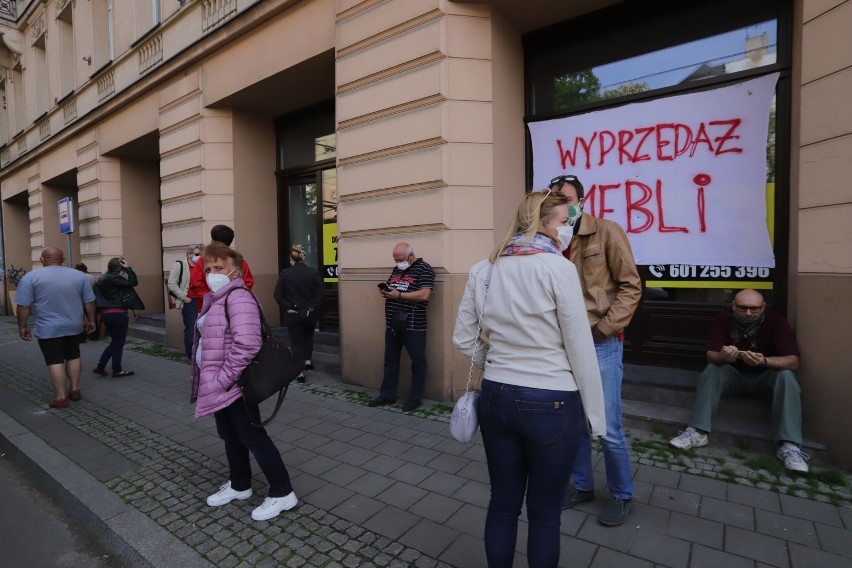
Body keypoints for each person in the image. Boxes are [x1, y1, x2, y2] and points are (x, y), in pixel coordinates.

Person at [453, 190, 606, 568]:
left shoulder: (483, 269)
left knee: (502, 504)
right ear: (543, 224)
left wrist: (498, 360)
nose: (568, 228)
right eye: (564, 221)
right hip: (552, 400)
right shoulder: (557, 268)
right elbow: (579, 348)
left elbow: (463, 337)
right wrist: (596, 417)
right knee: (544, 513)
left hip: (497, 397)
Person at [549, 174, 642, 526]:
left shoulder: (606, 230)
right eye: (553, 198)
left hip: (600, 341)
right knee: (573, 423)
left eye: (565, 198)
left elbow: (631, 286)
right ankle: (583, 486)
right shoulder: (549, 239)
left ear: (581, 201)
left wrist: (605, 328)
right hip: (564, 345)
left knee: (607, 425)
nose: (559, 204)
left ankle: (621, 494)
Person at [192, 242, 297, 522]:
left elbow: (247, 344)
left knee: (252, 436)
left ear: (235, 271)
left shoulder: (237, 297)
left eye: (219, 267)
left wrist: (223, 378)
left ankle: (282, 491)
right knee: (230, 434)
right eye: (209, 268)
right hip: (220, 384)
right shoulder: (215, 297)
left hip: (235, 384)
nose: (212, 272)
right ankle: (240, 484)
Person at [669, 289, 809, 472]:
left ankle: (789, 446)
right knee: (712, 370)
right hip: (734, 375)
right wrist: (723, 356)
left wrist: (765, 361)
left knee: (787, 376)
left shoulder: (776, 321)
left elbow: (793, 360)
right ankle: (697, 432)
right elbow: (711, 355)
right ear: (734, 306)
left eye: (754, 309)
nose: (748, 313)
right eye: (743, 308)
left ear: (763, 307)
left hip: (765, 376)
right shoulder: (724, 319)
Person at [15, 247, 97, 408]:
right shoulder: (79, 276)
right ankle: (74, 389)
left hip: (48, 328)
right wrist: (92, 320)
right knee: (74, 356)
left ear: (41, 260)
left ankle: (60, 397)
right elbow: (89, 302)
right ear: (63, 259)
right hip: (74, 326)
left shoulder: (31, 277)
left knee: (55, 361)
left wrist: (22, 326)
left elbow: (23, 306)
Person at [368, 242, 435, 412]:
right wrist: (387, 291)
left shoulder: (424, 269)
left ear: (411, 256)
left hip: (413, 325)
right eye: (395, 259)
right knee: (390, 361)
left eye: (401, 259)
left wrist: (398, 295)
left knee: (418, 363)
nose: (398, 262)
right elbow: (394, 287)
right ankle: (387, 395)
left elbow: (425, 294)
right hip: (392, 323)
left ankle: (415, 398)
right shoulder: (397, 269)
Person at [273, 245, 325, 383]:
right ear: (303, 258)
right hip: (309, 312)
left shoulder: (285, 273)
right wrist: (313, 307)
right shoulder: (312, 272)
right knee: (308, 336)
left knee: (296, 343)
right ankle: (308, 361)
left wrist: (287, 307)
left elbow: (277, 295)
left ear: (291, 259)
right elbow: (321, 293)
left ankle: (300, 373)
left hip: (293, 313)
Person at [187, 225, 254, 314]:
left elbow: (196, 284)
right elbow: (248, 283)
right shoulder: (239, 261)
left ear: (213, 241)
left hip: (215, 308)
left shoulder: (204, 260)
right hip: (229, 307)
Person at [93, 256, 139, 378]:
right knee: (119, 342)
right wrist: (129, 269)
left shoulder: (102, 278)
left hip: (106, 314)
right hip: (117, 314)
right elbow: (133, 282)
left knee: (115, 341)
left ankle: (100, 366)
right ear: (120, 268)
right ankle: (117, 370)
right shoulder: (114, 278)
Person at [168, 243, 202, 359]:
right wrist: (184, 297)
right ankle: (191, 356)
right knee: (191, 328)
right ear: (189, 254)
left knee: (202, 327)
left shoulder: (202, 265)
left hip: (202, 300)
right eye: (197, 254)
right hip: (190, 301)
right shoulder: (180, 265)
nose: (199, 257)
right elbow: (171, 283)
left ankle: (200, 354)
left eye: (201, 255)